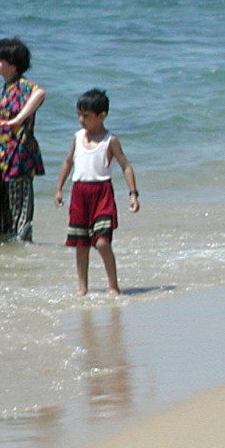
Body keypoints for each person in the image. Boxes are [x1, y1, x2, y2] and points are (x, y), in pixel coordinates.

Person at [52, 89, 140, 296]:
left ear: (102, 116)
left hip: (102, 193)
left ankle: (113, 285)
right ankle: (83, 287)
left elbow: (125, 166)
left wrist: (133, 193)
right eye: (79, 114)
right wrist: (58, 189)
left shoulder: (110, 140)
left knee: (101, 242)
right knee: (81, 244)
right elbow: (68, 162)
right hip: (79, 193)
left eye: (86, 116)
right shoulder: (77, 137)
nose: (81, 120)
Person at [0, 38, 46, 241]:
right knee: (6, 209)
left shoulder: (23, 86)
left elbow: (40, 93)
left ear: (12, 65)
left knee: (19, 207)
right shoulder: (6, 88)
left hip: (18, 154)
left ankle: (22, 249)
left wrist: (17, 120)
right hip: (3, 156)